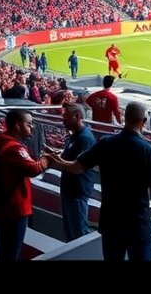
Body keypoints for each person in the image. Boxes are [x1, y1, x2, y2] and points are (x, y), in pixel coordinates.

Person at [46, 101, 151, 261]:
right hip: (137, 224)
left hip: (111, 221)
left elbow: (76, 167)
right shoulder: (149, 151)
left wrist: (54, 161)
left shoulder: (105, 143)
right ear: (143, 121)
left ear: (124, 118)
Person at [0, 109, 50, 261]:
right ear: (18, 126)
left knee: (5, 247)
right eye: (29, 124)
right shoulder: (14, 148)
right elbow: (34, 169)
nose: (32, 127)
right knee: (11, 252)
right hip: (14, 209)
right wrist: (47, 159)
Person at [54, 103, 97, 241]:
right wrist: (56, 154)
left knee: (78, 235)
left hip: (77, 191)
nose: (63, 120)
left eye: (66, 117)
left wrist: (53, 161)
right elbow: (70, 156)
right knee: (70, 232)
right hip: (69, 190)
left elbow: (77, 167)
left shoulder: (85, 138)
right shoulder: (75, 135)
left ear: (78, 116)